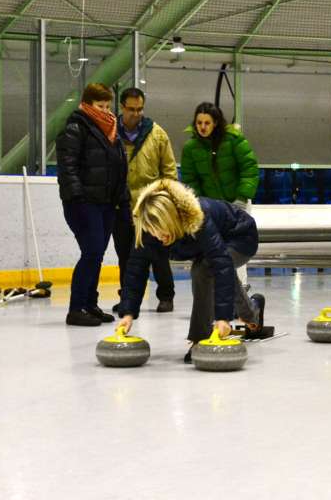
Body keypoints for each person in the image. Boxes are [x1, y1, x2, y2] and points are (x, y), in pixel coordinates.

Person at [115, 179, 265, 363]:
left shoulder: (198, 217)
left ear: (171, 220)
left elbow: (222, 263)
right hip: (210, 248)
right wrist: (128, 313)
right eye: (153, 232)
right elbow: (135, 269)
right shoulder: (149, 226)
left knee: (205, 269)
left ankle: (199, 337)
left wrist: (222, 318)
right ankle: (253, 310)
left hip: (240, 236)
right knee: (214, 269)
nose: (158, 237)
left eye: (162, 231)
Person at [56, 83, 128, 327]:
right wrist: (76, 197)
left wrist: (122, 196)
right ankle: (76, 308)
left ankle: (89, 303)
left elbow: (119, 167)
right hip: (84, 203)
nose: (105, 111)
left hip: (107, 203)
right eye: (100, 106)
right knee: (92, 252)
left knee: (96, 255)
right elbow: (68, 166)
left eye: (108, 106)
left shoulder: (111, 130)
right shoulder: (75, 128)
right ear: (87, 105)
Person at [110, 87, 179, 314]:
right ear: (121, 108)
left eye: (140, 109)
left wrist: (164, 202)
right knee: (125, 257)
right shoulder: (110, 133)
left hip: (151, 208)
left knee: (158, 255)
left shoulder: (157, 134)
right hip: (121, 206)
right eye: (131, 109)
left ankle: (166, 296)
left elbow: (169, 172)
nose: (136, 114)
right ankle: (127, 299)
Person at [180, 102, 259, 285]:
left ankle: (240, 289)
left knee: (236, 248)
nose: (202, 127)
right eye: (199, 123)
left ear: (215, 122)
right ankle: (218, 291)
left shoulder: (233, 140)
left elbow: (249, 168)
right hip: (212, 209)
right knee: (213, 248)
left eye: (207, 123)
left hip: (236, 204)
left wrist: (241, 197)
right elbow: (191, 180)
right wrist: (198, 205)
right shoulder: (191, 147)